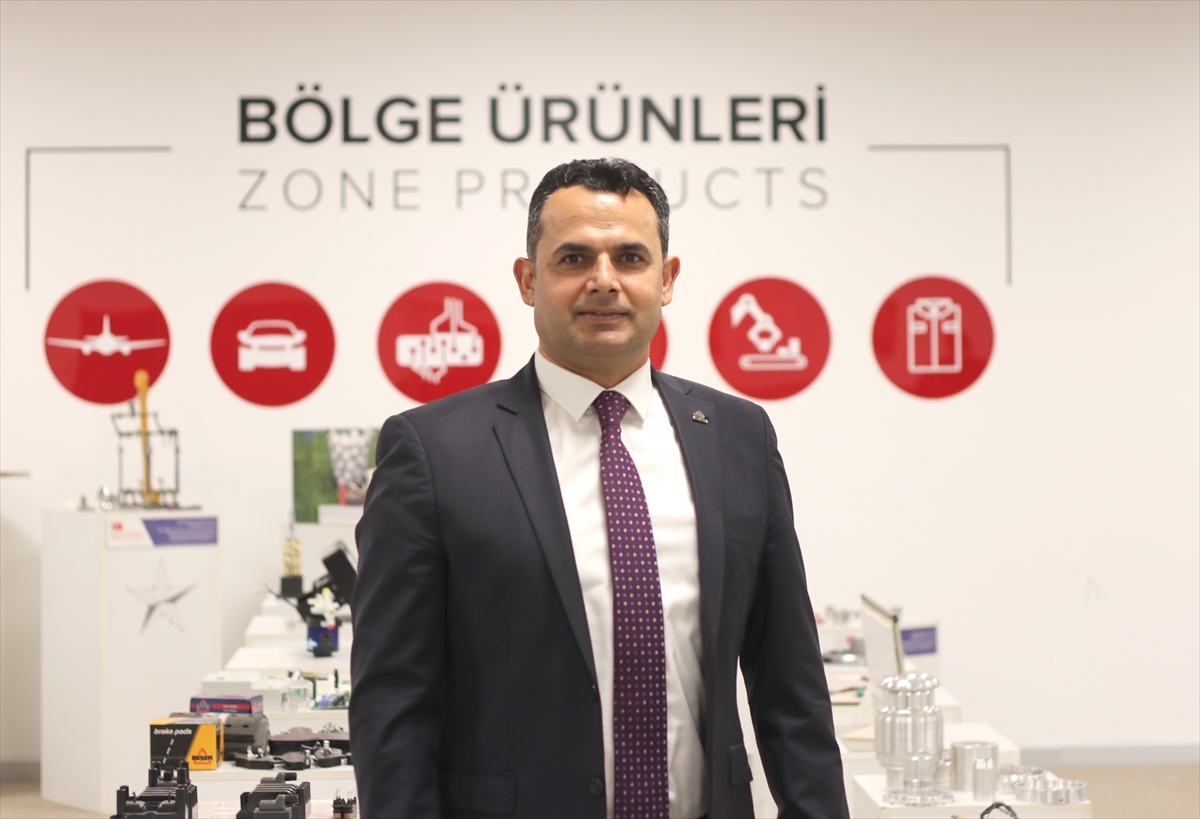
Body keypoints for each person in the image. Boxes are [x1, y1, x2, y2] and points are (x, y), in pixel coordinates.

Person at [351, 158, 847, 818]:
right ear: (528, 279)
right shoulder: (433, 451)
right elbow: (393, 700)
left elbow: (790, 679)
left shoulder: (739, 436)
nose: (604, 281)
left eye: (631, 257)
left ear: (666, 279)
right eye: (574, 257)